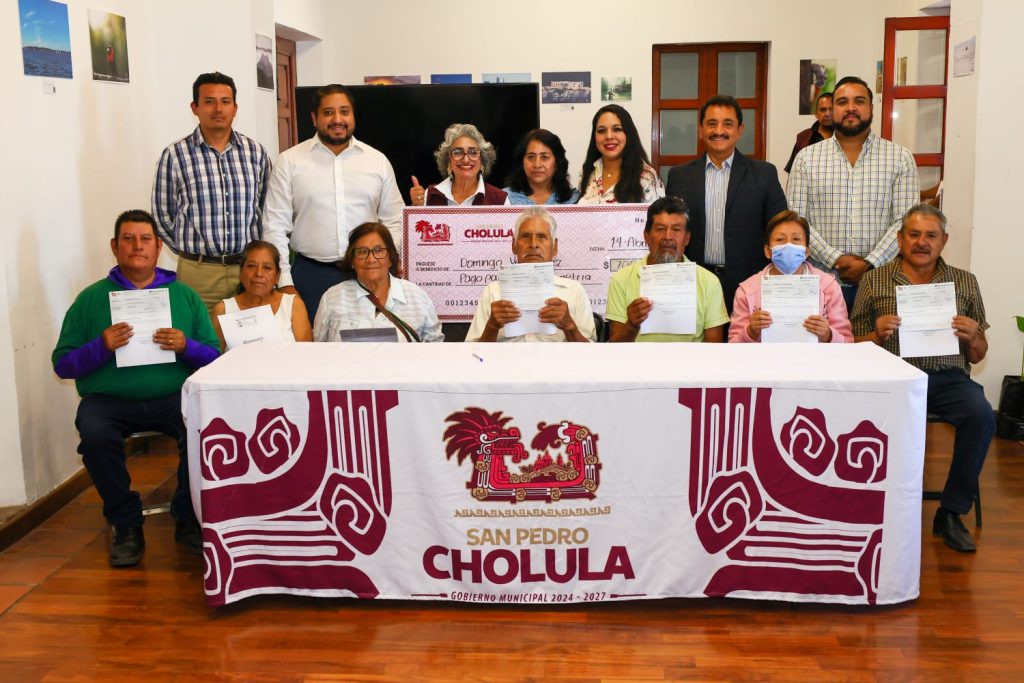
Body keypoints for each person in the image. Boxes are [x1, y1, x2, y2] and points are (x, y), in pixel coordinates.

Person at [51, 210, 220, 567]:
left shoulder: (184, 296)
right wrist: (101, 346)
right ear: (115, 247)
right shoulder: (91, 299)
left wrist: (186, 347)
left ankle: (188, 515)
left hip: (173, 396)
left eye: (145, 239)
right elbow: (63, 364)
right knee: (95, 434)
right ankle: (125, 523)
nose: (137, 246)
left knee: (204, 429)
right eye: (128, 239)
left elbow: (214, 356)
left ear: (159, 247)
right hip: (109, 401)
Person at [850, 204, 994, 553]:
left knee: (981, 415)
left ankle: (951, 512)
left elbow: (978, 354)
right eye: (914, 234)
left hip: (947, 379)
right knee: (853, 414)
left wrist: (973, 335)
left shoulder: (964, 281)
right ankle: (866, 507)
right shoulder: (874, 280)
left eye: (931, 235)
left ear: (944, 241)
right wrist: (875, 335)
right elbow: (851, 344)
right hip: (891, 378)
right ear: (900, 239)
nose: (922, 242)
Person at [264, 84, 404, 323]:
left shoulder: (377, 161)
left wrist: (386, 262)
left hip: (369, 273)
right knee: (310, 343)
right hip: (310, 276)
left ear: (353, 116)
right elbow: (274, 226)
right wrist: (285, 281)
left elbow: (394, 220)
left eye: (344, 112)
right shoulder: (290, 162)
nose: (337, 119)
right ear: (314, 118)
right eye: (328, 112)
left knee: (370, 340)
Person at [787, 76, 920, 311]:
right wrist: (835, 259)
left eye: (859, 101)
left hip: (881, 283)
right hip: (820, 284)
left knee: (879, 336)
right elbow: (797, 220)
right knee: (822, 336)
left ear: (871, 108)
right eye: (842, 102)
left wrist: (870, 263)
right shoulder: (806, 158)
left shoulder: (900, 158)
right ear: (832, 109)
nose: (851, 108)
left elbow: (905, 221)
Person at [152, 72, 271, 314]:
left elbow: (268, 209)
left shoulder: (256, 153)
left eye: (225, 102)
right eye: (209, 102)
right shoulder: (175, 155)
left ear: (235, 108)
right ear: (194, 107)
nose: (218, 109)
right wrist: (190, 250)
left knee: (252, 334)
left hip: (248, 271)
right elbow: (162, 215)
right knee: (199, 336)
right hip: (198, 274)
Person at [666, 94, 788, 314]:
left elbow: (780, 229)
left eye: (727, 124)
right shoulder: (679, 176)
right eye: (711, 124)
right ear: (700, 130)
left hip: (748, 284)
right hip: (694, 282)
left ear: (740, 130)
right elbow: (671, 230)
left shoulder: (764, 174)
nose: (719, 131)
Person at [605, 196, 728, 342]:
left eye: (676, 229)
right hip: (639, 357)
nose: (668, 237)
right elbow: (615, 349)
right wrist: (631, 325)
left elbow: (714, 348)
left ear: (687, 238)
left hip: (691, 358)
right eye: (660, 229)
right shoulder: (621, 280)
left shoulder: (709, 282)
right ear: (646, 236)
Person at [466, 207, 595, 343]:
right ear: (514, 245)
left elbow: (591, 352)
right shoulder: (492, 292)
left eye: (542, 237)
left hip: (557, 358)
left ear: (554, 246)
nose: (533, 244)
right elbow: (472, 353)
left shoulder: (574, 291)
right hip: (505, 358)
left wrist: (569, 326)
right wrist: (492, 326)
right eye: (525, 236)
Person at [729, 211, 852, 343]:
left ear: (807, 251)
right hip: (766, 356)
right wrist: (750, 332)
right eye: (780, 239)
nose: (789, 245)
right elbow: (732, 345)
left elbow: (848, 342)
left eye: (796, 239)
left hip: (814, 356)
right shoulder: (747, 291)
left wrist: (828, 335)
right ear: (768, 251)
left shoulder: (828, 287)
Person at [314, 222, 443, 343]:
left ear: (391, 259)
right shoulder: (332, 298)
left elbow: (435, 346)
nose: (371, 259)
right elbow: (318, 347)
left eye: (378, 250)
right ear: (352, 261)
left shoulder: (417, 297)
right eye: (362, 252)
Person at [211, 240, 313, 351]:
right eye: (251, 266)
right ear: (241, 272)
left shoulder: (292, 305)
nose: (259, 273)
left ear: (277, 276)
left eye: (267, 268)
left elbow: (306, 355)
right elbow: (214, 357)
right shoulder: (223, 310)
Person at [577, 104, 664, 204]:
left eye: (617, 129)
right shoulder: (587, 172)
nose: (609, 136)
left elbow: (658, 213)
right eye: (601, 131)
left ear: (629, 133)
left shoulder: (647, 176)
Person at [409, 123, 510, 206]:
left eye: (473, 152)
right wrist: (416, 208)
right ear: (448, 161)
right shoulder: (430, 196)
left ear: (482, 161)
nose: (465, 159)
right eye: (457, 152)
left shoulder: (499, 200)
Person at [502, 129, 579, 205]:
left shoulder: (575, 200)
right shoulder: (504, 199)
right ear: (521, 162)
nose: (537, 165)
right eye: (531, 157)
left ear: (557, 163)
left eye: (544, 157)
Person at [783, 92, 833, 174]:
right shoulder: (803, 137)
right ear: (816, 114)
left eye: (831, 109)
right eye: (823, 110)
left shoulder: (846, 136)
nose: (827, 114)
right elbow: (793, 171)